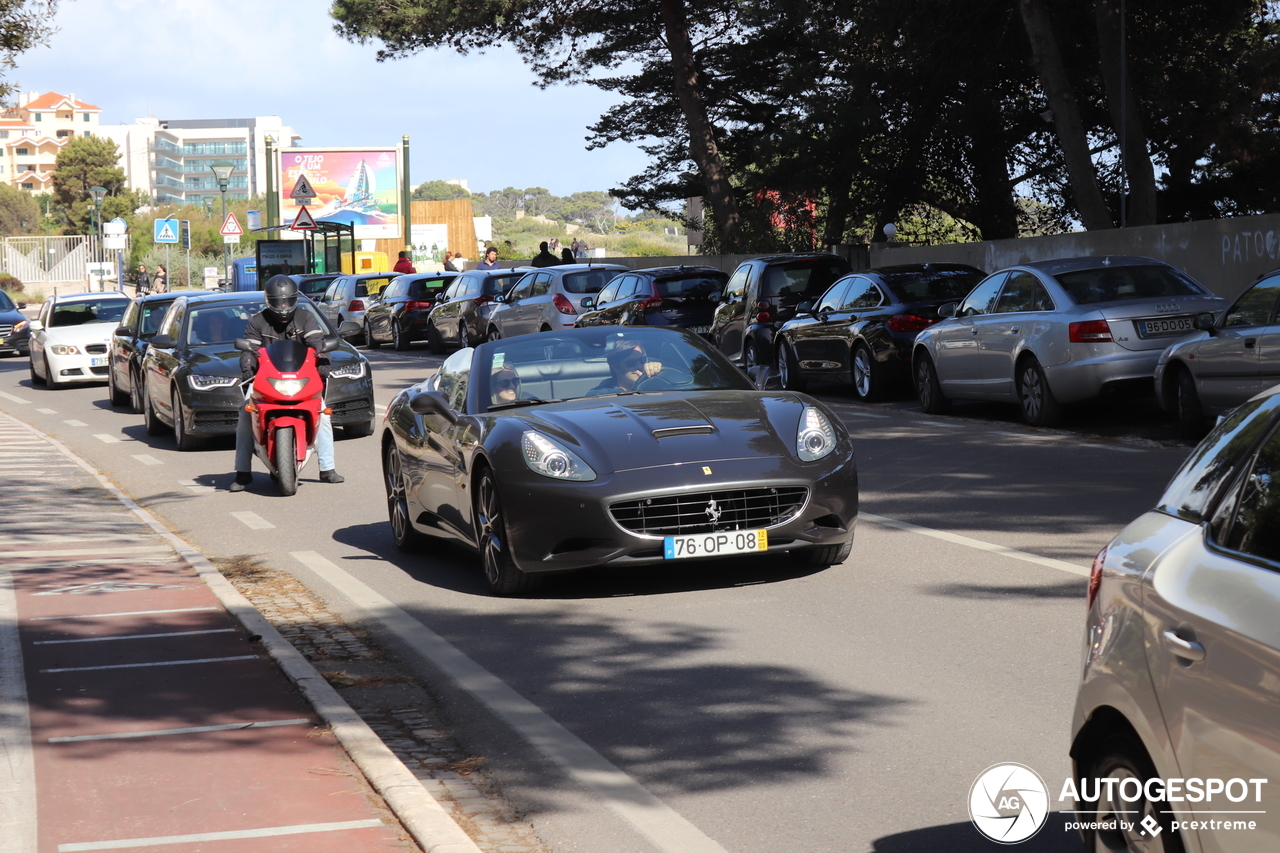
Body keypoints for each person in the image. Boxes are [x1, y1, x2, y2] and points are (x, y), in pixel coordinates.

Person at [230, 276, 343, 491]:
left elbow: (318, 345)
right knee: (245, 414)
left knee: (323, 414)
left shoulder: (306, 317)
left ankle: (327, 468)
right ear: (268, 300)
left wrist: (323, 364)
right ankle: (242, 472)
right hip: (266, 381)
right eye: (278, 302)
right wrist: (247, 367)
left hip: (301, 380)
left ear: (294, 300)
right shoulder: (258, 321)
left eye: (288, 302)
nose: (283, 307)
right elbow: (249, 350)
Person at [588, 339, 663, 395]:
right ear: (616, 367)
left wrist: (658, 373)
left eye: (641, 360)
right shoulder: (598, 395)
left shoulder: (654, 383)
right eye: (631, 362)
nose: (639, 365)